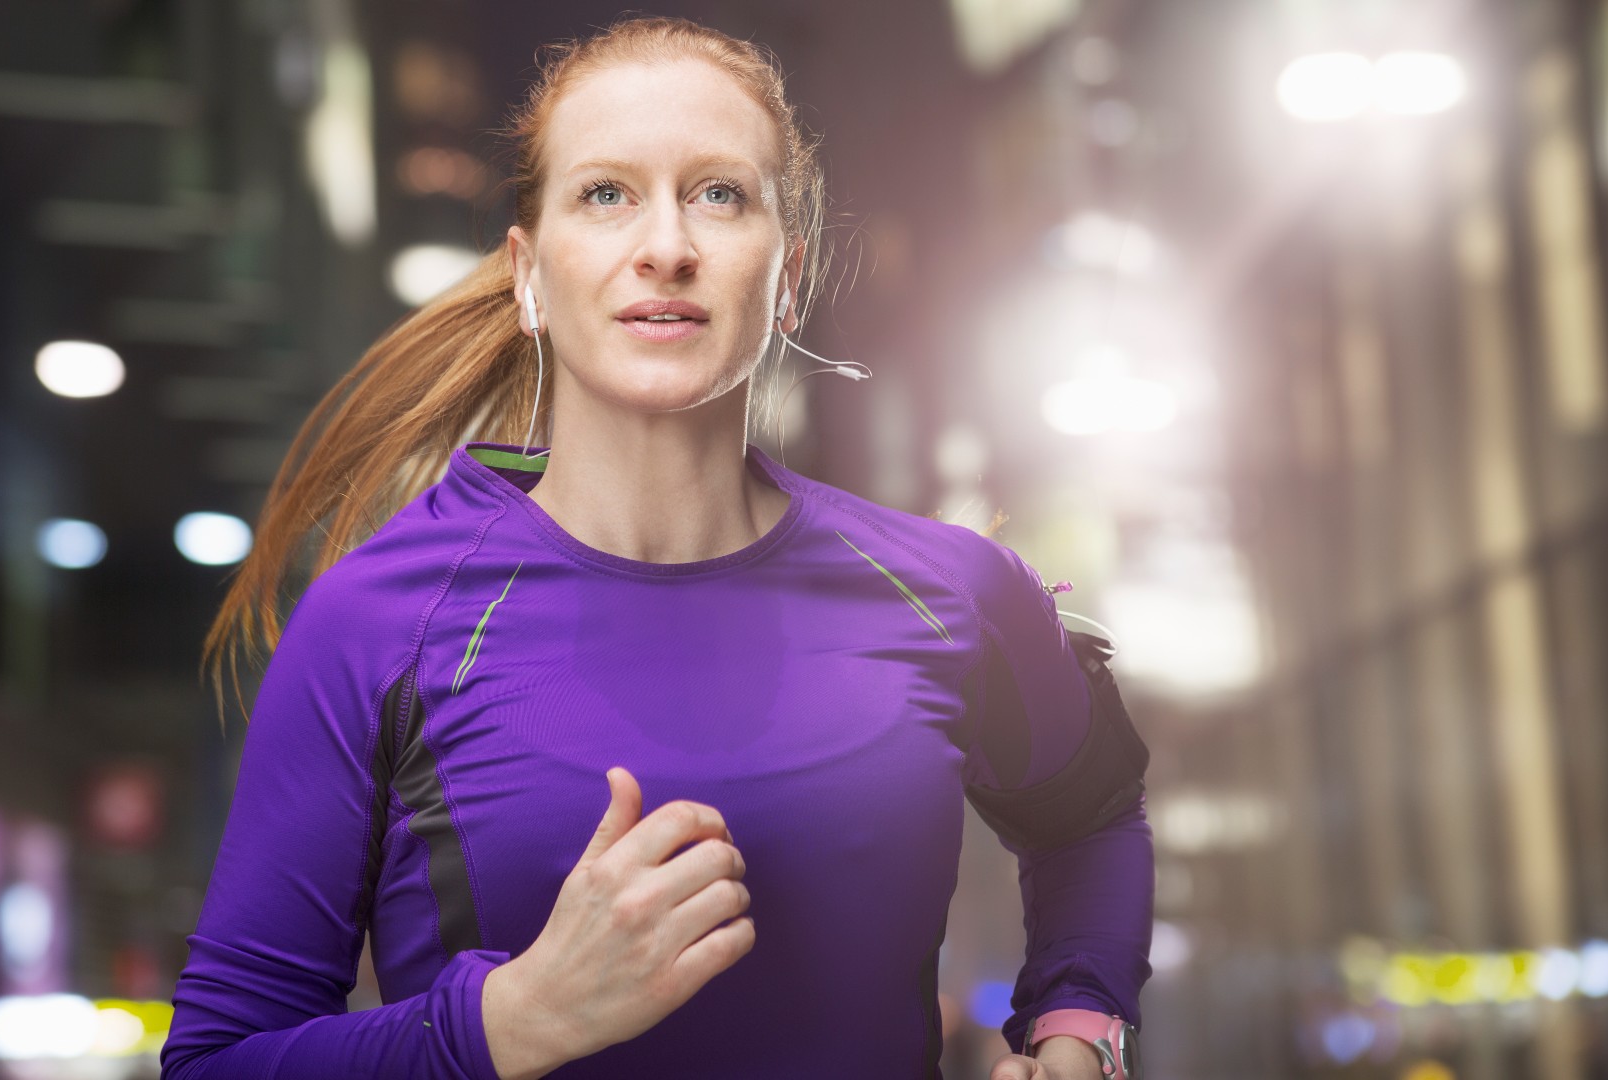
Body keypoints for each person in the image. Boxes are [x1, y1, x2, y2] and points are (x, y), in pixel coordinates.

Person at [161, 15, 1152, 1080]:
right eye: (606, 194)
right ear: (530, 276)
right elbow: (217, 1061)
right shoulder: (383, 619)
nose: (668, 246)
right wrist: (505, 1025)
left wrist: (1079, 1030)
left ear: (787, 278)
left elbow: (1092, 817)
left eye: (720, 195)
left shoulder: (946, 592)